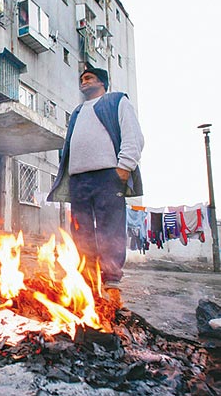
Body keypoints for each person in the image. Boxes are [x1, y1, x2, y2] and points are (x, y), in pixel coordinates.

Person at [47, 67, 144, 305]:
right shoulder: (78, 111)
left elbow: (134, 136)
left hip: (108, 176)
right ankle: (88, 281)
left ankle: (111, 284)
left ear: (102, 82)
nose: (83, 81)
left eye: (88, 77)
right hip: (79, 180)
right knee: (82, 232)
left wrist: (124, 167)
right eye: (81, 78)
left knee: (110, 230)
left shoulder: (116, 101)